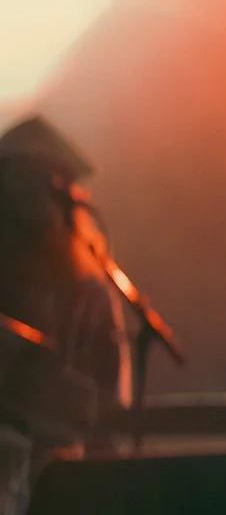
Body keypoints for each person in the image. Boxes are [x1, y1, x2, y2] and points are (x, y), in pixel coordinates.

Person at [0, 115, 130, 514]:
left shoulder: (90, 291)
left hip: (62, 487)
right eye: (18, 179)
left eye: (45, 181)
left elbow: (112, 414)